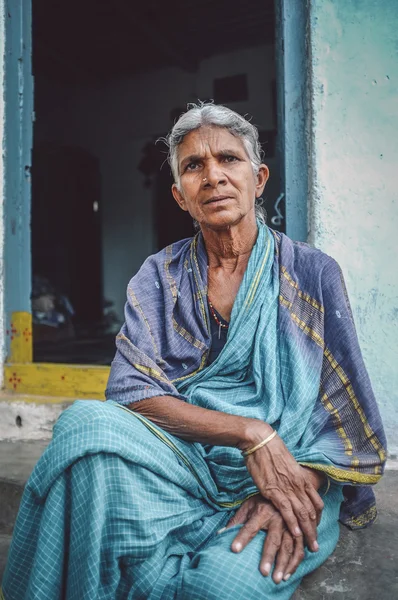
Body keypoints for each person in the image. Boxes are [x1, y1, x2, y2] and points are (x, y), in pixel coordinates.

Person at [2, 102, 386, 600]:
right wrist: (250, 431)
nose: (214, 177)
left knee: (217, 586)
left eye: (229, 159)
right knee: (85, 426)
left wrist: (296, 487)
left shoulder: (312, 275)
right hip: (182, 462)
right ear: (180, 197)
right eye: (194, 166)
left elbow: (344, 418)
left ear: (259, 177)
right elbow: (130, 390)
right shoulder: (160, 277)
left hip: (285, 472)